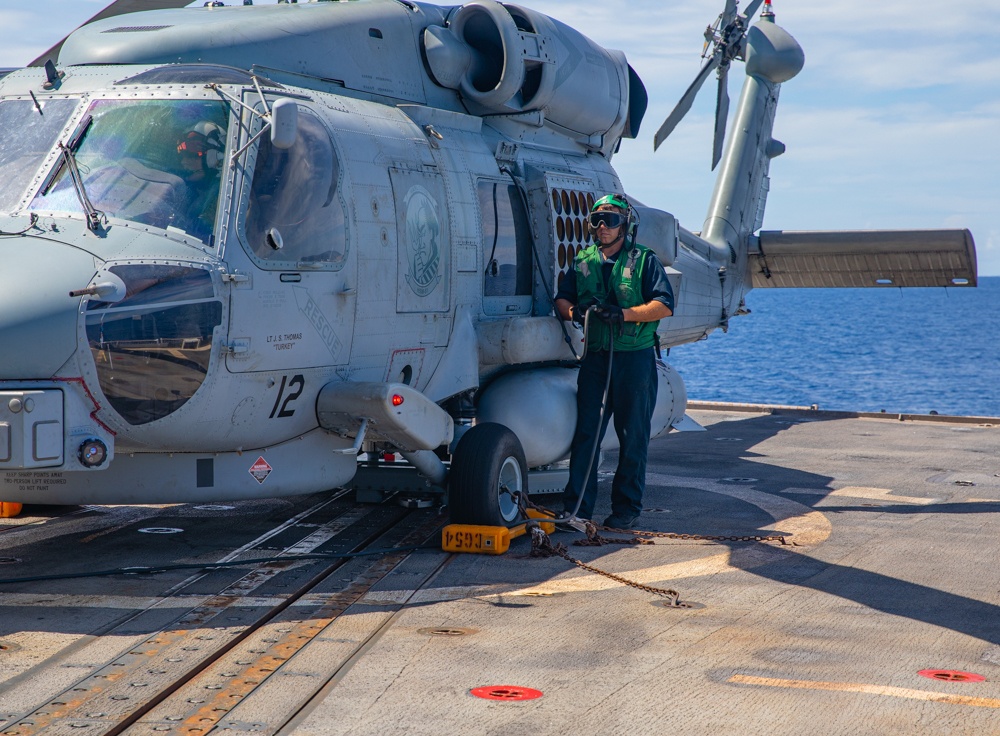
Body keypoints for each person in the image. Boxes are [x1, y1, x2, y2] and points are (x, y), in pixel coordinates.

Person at [554, 193, 674, 529]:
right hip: (596, 360)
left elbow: (664, 304)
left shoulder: (644, 260)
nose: (603, 227)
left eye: (611, 221)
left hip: (634, 362)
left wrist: (624, 314)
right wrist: (575, 311)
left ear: (625, 225)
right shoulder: (583, 261)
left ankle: (626, 510)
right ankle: (577, 509)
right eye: (597, 221)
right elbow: (562, 298)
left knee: (632, 435)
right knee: (586, 435)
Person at [174, 121, 225, 242]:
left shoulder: (219, 201)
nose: (183, 162)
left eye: (191, 156)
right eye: (182, 156)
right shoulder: (186, 188)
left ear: (215, 158)